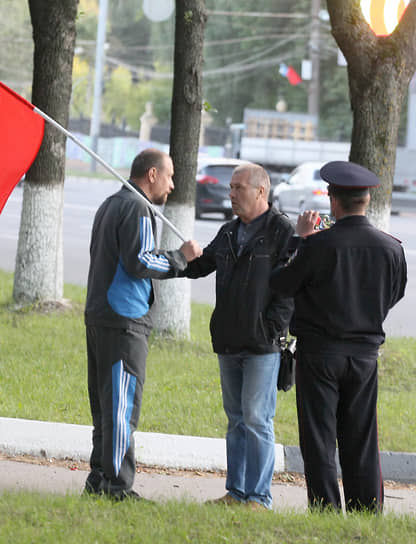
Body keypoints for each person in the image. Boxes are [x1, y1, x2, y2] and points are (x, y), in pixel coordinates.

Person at [269, 160, 408, 513]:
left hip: (319, 354)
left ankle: (326, 509)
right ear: (367, 201)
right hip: (364, 355)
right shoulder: (392, 248)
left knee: (319, 437)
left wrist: (298, 242)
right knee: (361, 436)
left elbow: (281, 285)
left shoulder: (317, 246)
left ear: (333, 201)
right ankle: (366, 509)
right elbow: (395, 294)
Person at [84, 148, 202, 500]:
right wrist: (182, 258)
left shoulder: (110, 203)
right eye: (169, 176)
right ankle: (116, 488)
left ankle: (99, 480)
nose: (172, 184)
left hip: (102, 316)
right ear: (151, 174)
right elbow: (140, 261)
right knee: (120, 407)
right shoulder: (137, 207)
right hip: (124, 320)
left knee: (106, 407)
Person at [182, 163, 295, 510]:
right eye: (231, 187)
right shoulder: (229, 231)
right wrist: (188, 257)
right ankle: (236, 492)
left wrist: (270, 328)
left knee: (257, 419)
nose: (230, 194)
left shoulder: (281, 231)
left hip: (262, 344)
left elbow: (290, 289)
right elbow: (202, 265)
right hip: (228, 340)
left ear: (261, 191)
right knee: (235, 420)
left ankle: (259, 497)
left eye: (238, 188)